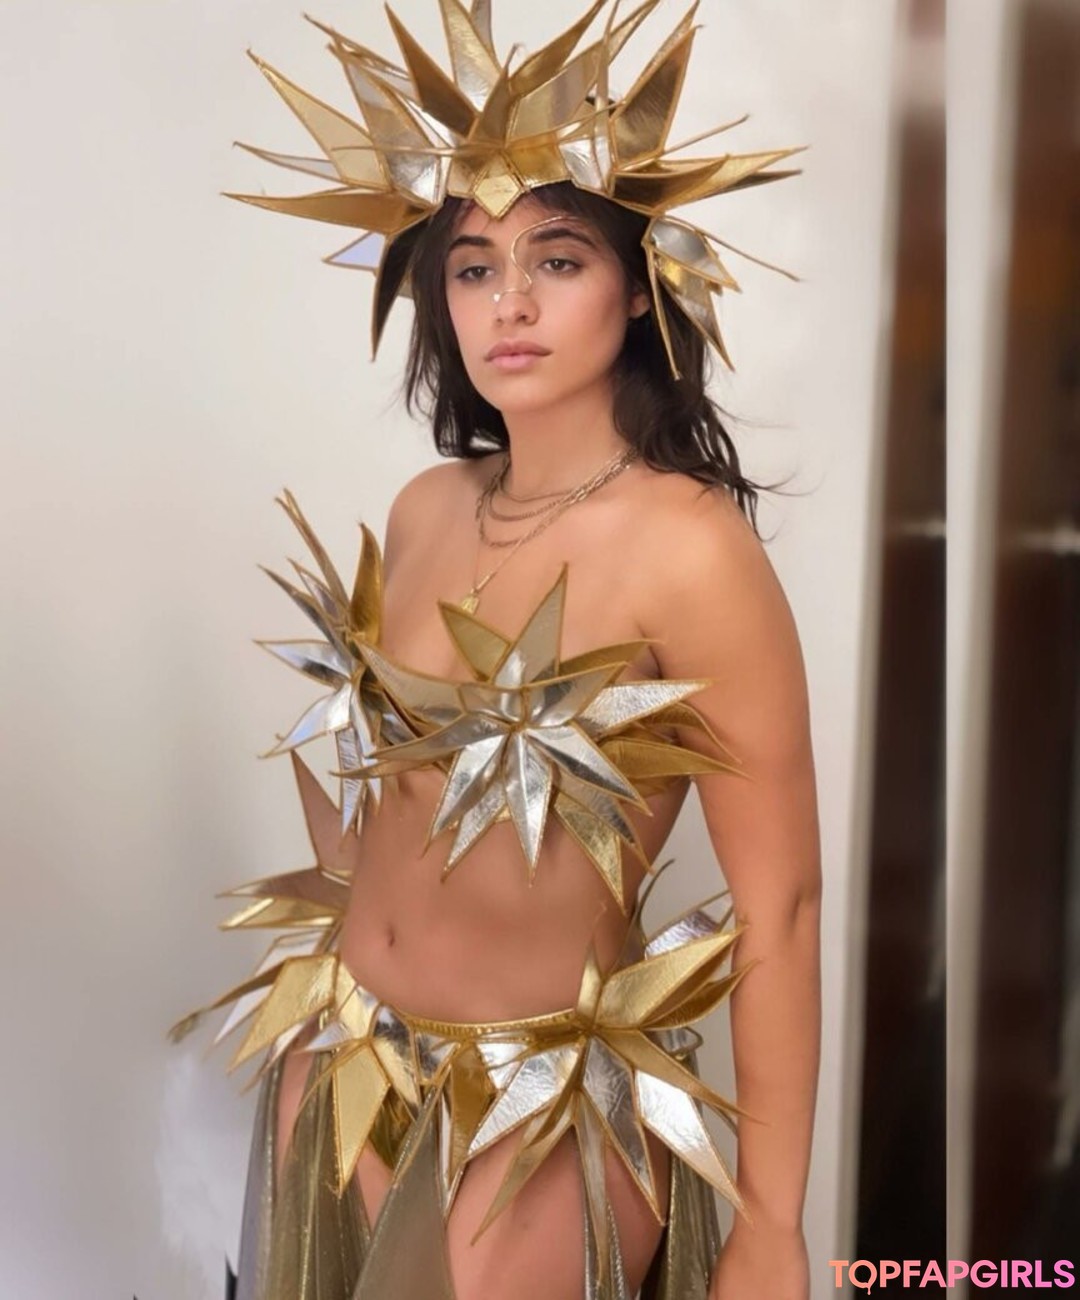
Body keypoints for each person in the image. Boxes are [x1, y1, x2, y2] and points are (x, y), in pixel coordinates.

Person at [172, 4, 822, 1298]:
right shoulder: (428, 507)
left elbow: (782, 908)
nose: (509, 303)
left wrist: (772, 1226)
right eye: (473, 269)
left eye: (557, 260)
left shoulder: (690, 550)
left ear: (639, 284)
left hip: (539, 1109)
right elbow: (393, 809)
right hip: (346, 1059)